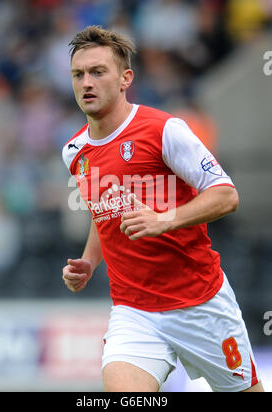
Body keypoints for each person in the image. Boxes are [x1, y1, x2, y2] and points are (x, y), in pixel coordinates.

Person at [61, 25, 264, 392]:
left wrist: (164, 219)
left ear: (125, 79)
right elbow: (101, 210)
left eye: (98, 72)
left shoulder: (164, 130)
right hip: (134, 311)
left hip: (200, 303)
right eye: (78, 74)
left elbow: (226, 195)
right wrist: (90, 261)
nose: (86, 82)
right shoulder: (74, 152)